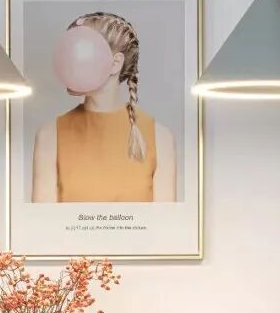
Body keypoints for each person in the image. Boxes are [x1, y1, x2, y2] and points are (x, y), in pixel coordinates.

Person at [31, 11, 177, 203]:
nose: (73, 62)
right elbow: (42, 219)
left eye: (85, 52)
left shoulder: (160, 138)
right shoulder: (49, 136)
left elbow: (165, 220)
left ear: (115, 64)